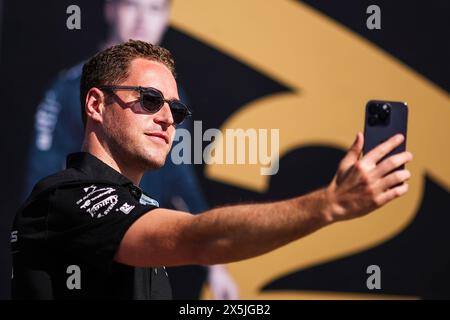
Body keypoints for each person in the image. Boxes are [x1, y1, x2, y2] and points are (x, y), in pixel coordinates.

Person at [12, 40, 413, 299]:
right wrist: (331, 204)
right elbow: (198, 239)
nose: (168, 119)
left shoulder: (140, 208)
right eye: (150, 99)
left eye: (177, 109)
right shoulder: (62, 198)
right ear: (96, 105)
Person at [24, 0, 238, 299]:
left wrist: (215, 265)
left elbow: (182, 182)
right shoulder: (68, 90)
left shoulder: (171, 97)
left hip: (147, 255)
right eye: (132, 6)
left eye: (154, 9)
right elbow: (43, 190)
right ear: (111, 9)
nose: (142, 21)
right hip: (90, 260)